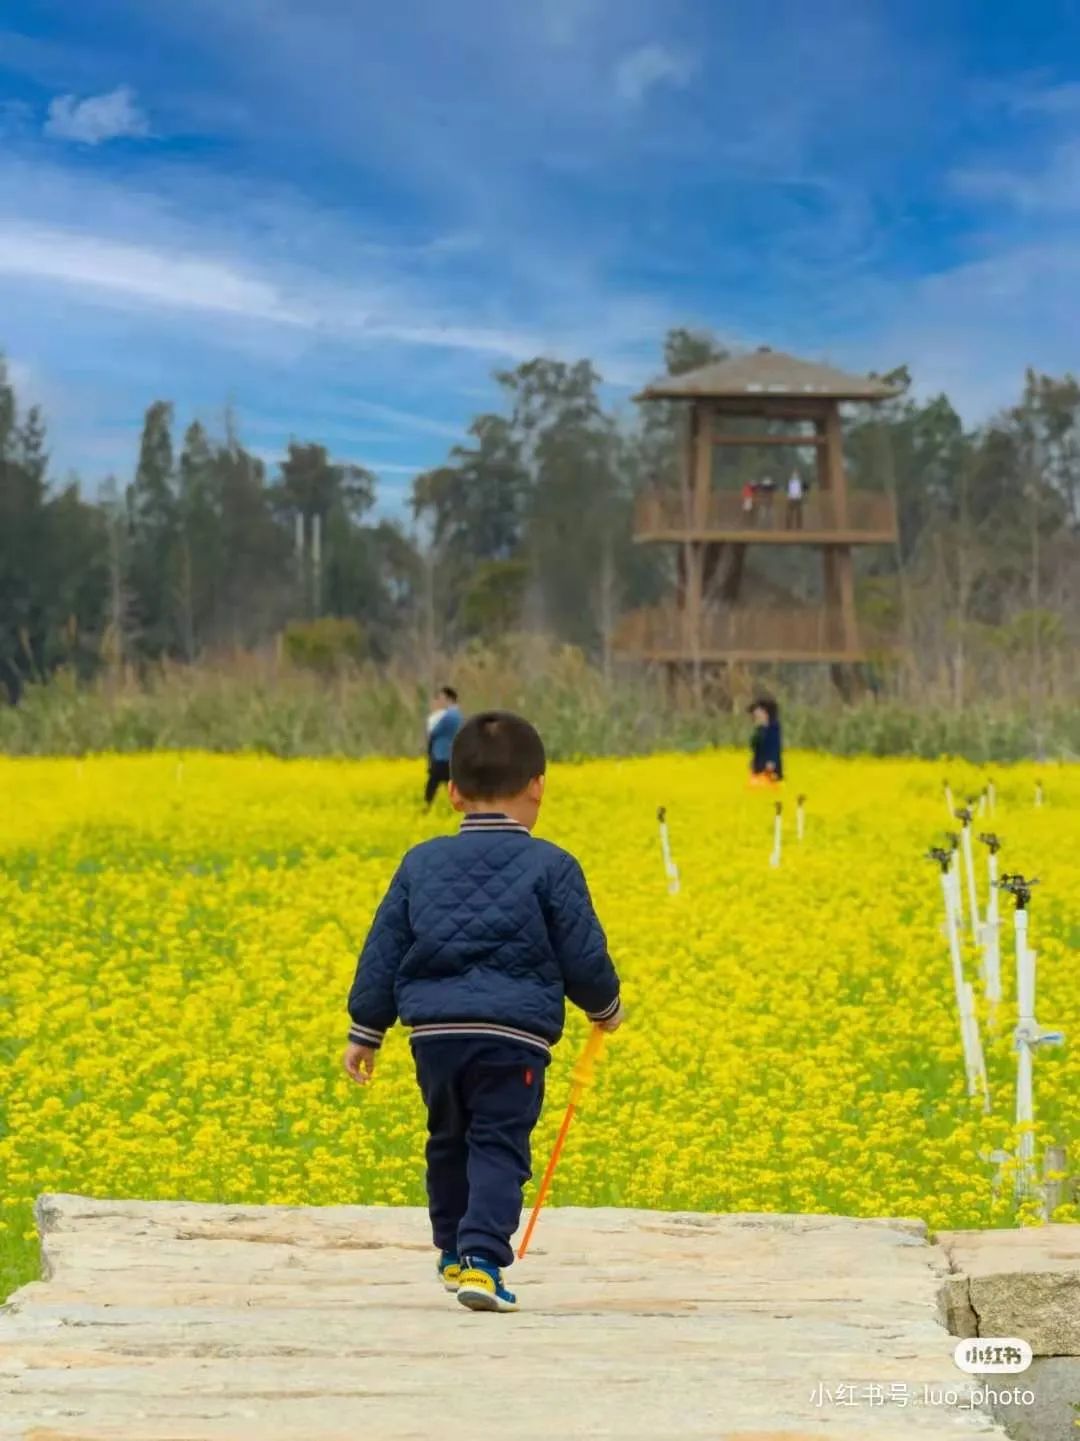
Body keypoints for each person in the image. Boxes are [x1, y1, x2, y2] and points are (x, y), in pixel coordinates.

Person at [343, 711, 623, 1314]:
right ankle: (482, 1261)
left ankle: (450, 1250)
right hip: (513, 1037)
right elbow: (583, 954)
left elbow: (383, 949)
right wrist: (607, 1007)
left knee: (447, 1138)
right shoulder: (553, 865)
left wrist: (366, 1031)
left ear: (452, 792)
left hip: (434, 1036)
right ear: (538, 785)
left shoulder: (420, 862)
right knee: (498, 1142)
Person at [424, 686, 461, 809]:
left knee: (434, 782)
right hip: (448, 755)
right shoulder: (456, 715)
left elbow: (434, 732)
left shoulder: (449, 716)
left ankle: (427, 806)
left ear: (449, 699)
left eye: (443, 698)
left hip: (442, 755)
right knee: (447, 782)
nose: (441, 701)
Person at [748, 696, 783, 783]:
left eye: (757, 712)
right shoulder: (760, 729)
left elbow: (774, 747)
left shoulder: (773, 728)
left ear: (765, 712)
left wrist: (771, 764)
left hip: (770, 773)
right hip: (758, 771)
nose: (754, 715)